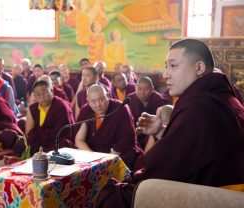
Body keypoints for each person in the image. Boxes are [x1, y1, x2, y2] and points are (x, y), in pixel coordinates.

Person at [96, 39, 244, 207]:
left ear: (199, 68)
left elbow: (160, 167)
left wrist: (128, 181)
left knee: (110, 196)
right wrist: (161, 131)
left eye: (173, 66)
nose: (165, 73)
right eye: (166, 66)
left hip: (212, 195)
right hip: (224, 189)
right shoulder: (226, 98)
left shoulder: (199, 107)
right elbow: (196, 149)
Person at [75, 84, 143, 170]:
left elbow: (128, 138)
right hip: (94, 154)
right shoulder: (86, 110)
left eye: (101, 99)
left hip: (117, 153)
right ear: (88, 101)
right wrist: (94, 157)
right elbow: (79, 140)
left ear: (107, 95)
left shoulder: (120, 108)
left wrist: (106, 159)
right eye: (93, 101)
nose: (98, 105)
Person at [25, 80, 74, 154]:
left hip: (55, 142)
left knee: (62, 145)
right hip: (38, 142)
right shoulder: (33, 108)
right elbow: (29, 132)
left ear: (52, 91)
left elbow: (61, 132)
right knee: (21, 143)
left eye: (45, 92)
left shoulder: (61, 106)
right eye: (38, 94)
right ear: (34, 96)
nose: (42, 97)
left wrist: (41, 136)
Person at [128, 76, 171, 148]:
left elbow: (164, 123)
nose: (142, 92)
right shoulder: (129, 99)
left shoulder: (159, 100)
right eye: (139, 89)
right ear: (135, 88)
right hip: (134, 135)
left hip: (154, 135)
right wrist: (134, 132)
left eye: (146, 89)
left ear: (152, 89)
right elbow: (125, 122)